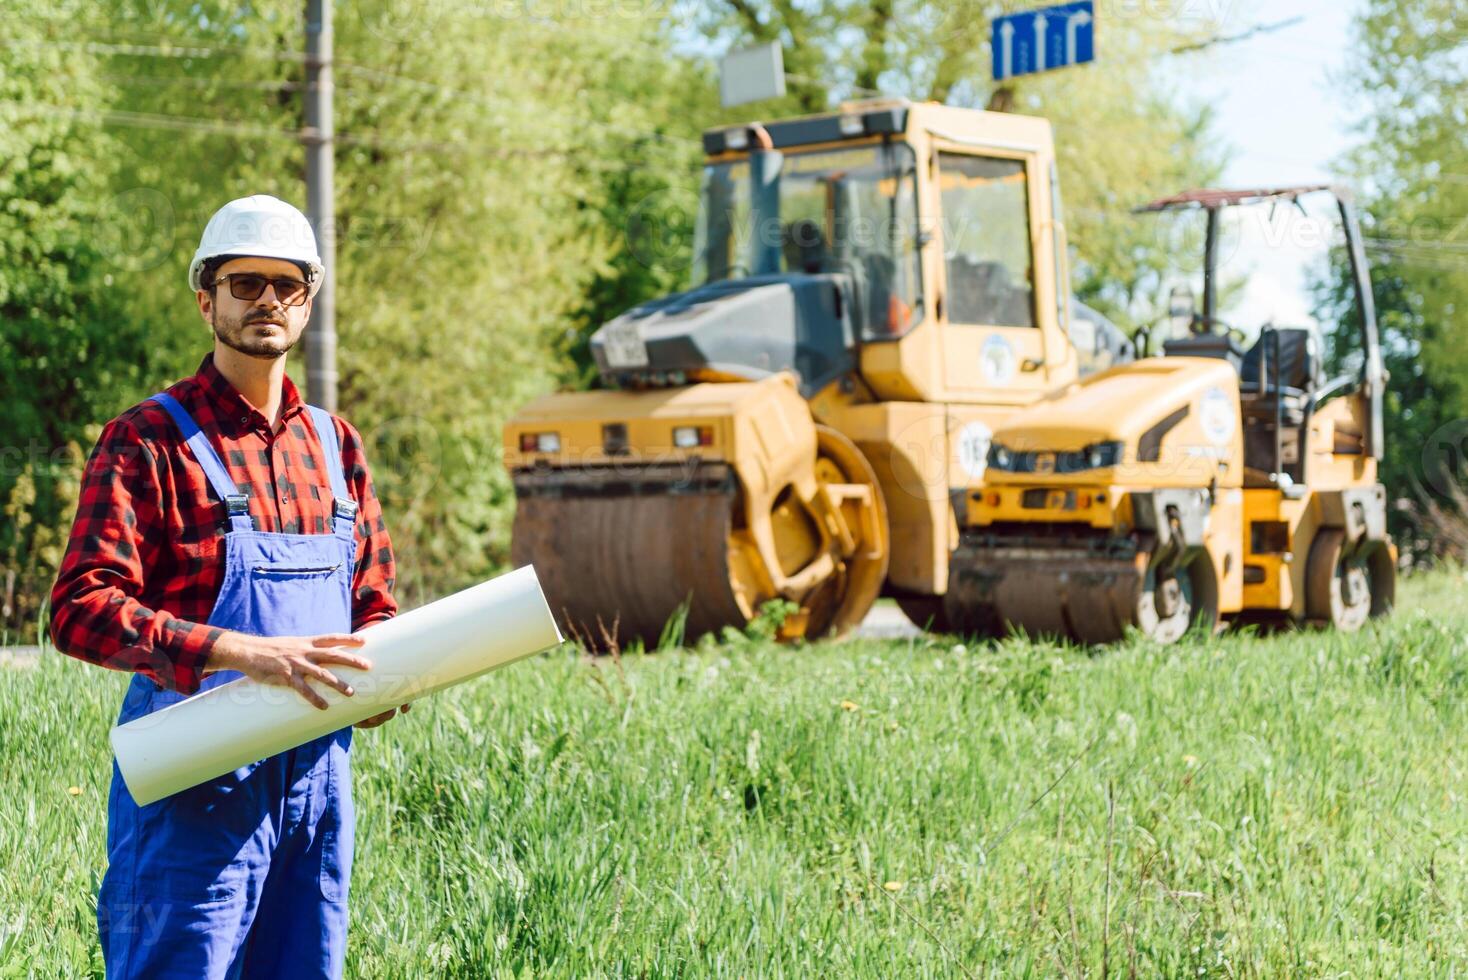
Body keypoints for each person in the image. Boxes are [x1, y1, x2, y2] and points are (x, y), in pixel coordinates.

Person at [49, 194, 403, 978]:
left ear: (308, 303)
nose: (267, 300)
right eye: (245, 283)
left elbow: (374, 605)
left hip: (317, 784)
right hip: (195, 780)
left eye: (287, 285)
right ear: (207, 298)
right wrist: (237, 652)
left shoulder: (337, 445)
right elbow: (79, 609)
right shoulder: (148, 440)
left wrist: (394, 675)